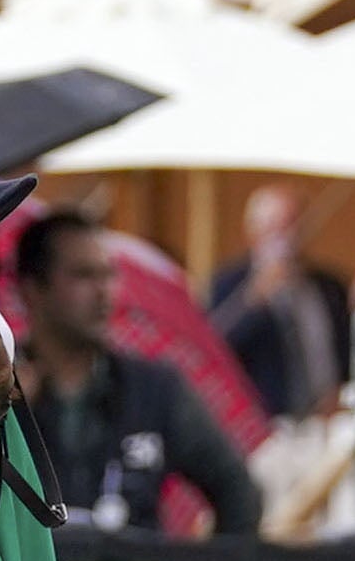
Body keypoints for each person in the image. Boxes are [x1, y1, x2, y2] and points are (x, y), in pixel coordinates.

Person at [15, 209, 261, 536]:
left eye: (109, 274)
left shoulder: (154, 386)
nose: (104, 292)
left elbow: (239, 493)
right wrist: (0, 419)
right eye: (84, 275)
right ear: (33, 289)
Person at [209, 184, 350, 420]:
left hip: (326, 421)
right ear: (253, 233)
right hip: (266, 420)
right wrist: (252, 302)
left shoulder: (328, 286)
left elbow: (347, 346)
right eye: (276, 228)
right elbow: (215, 346)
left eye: (294, 225)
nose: (288, 237)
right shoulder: (230, 284)